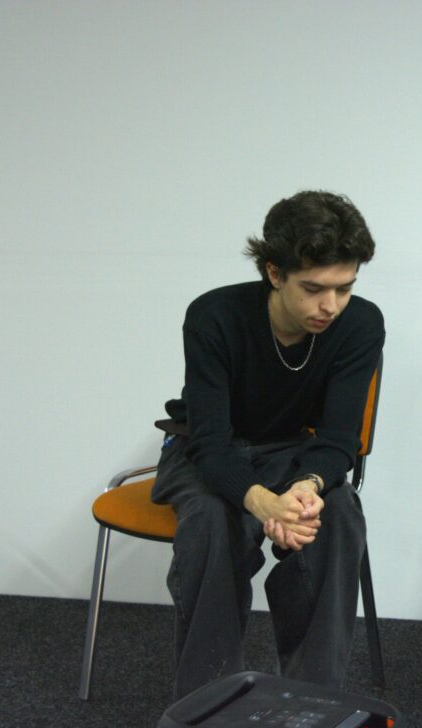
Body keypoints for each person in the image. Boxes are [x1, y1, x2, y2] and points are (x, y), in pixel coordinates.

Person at [152, 190, 384, 700]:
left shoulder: (360, 324)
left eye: (344, 288)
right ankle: (207, 703)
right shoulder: (214, 316)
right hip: (206, 450)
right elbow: (210, 445)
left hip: (291, 452)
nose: (330, 306)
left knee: (339, 513)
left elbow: (340, 439)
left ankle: (311, 700)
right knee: (213, 520)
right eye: (314, 288)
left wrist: (305, 488)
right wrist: (262, 503)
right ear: (274, 273)